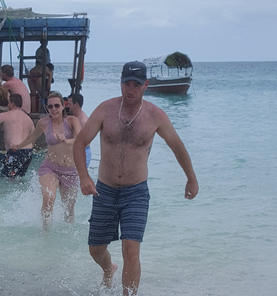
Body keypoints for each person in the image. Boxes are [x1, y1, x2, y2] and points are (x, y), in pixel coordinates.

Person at [73, 61, 198, 295]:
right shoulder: (105, 110)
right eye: (126, 84)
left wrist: (191, 178)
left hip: (136, 192)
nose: (130, 89)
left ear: (146, 85)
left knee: (131, 249)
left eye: (136, 85)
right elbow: (80, 142)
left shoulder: (155, 116)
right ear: (120, 84)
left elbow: (177, 147)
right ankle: (109, 268)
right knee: (95, 249)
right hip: (104, 189)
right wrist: (84, 177)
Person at [13, 91, 82, 230]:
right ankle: (46, 233)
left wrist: (66, 140)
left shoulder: (72, 121)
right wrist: (18, 146)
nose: (54, 109)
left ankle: (68, 239)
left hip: (70, 170)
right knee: (48, 197)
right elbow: (32, 137)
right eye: (50, 107)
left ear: (63, 106)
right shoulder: (43, 123)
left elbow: (83, 140)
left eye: (57, 105)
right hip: (50, 167)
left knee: (69, 210)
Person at [67, 93, 92, 167]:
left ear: (76, 105)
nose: (68, 106)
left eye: (69, 104)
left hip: (84, 152)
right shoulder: (74, 117)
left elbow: (86, 141)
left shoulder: (83, 120)